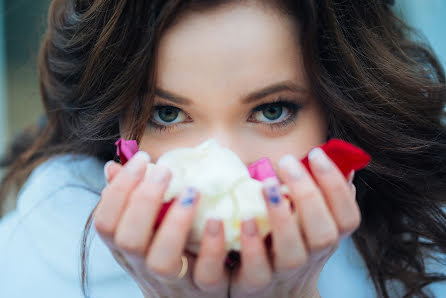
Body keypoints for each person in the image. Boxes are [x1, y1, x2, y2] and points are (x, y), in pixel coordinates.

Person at [0, 0, 445, 297]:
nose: (223, 164)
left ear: (336, 113)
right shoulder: (19, 273)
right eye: (168, 115)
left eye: (272, 111)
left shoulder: (423, 256)